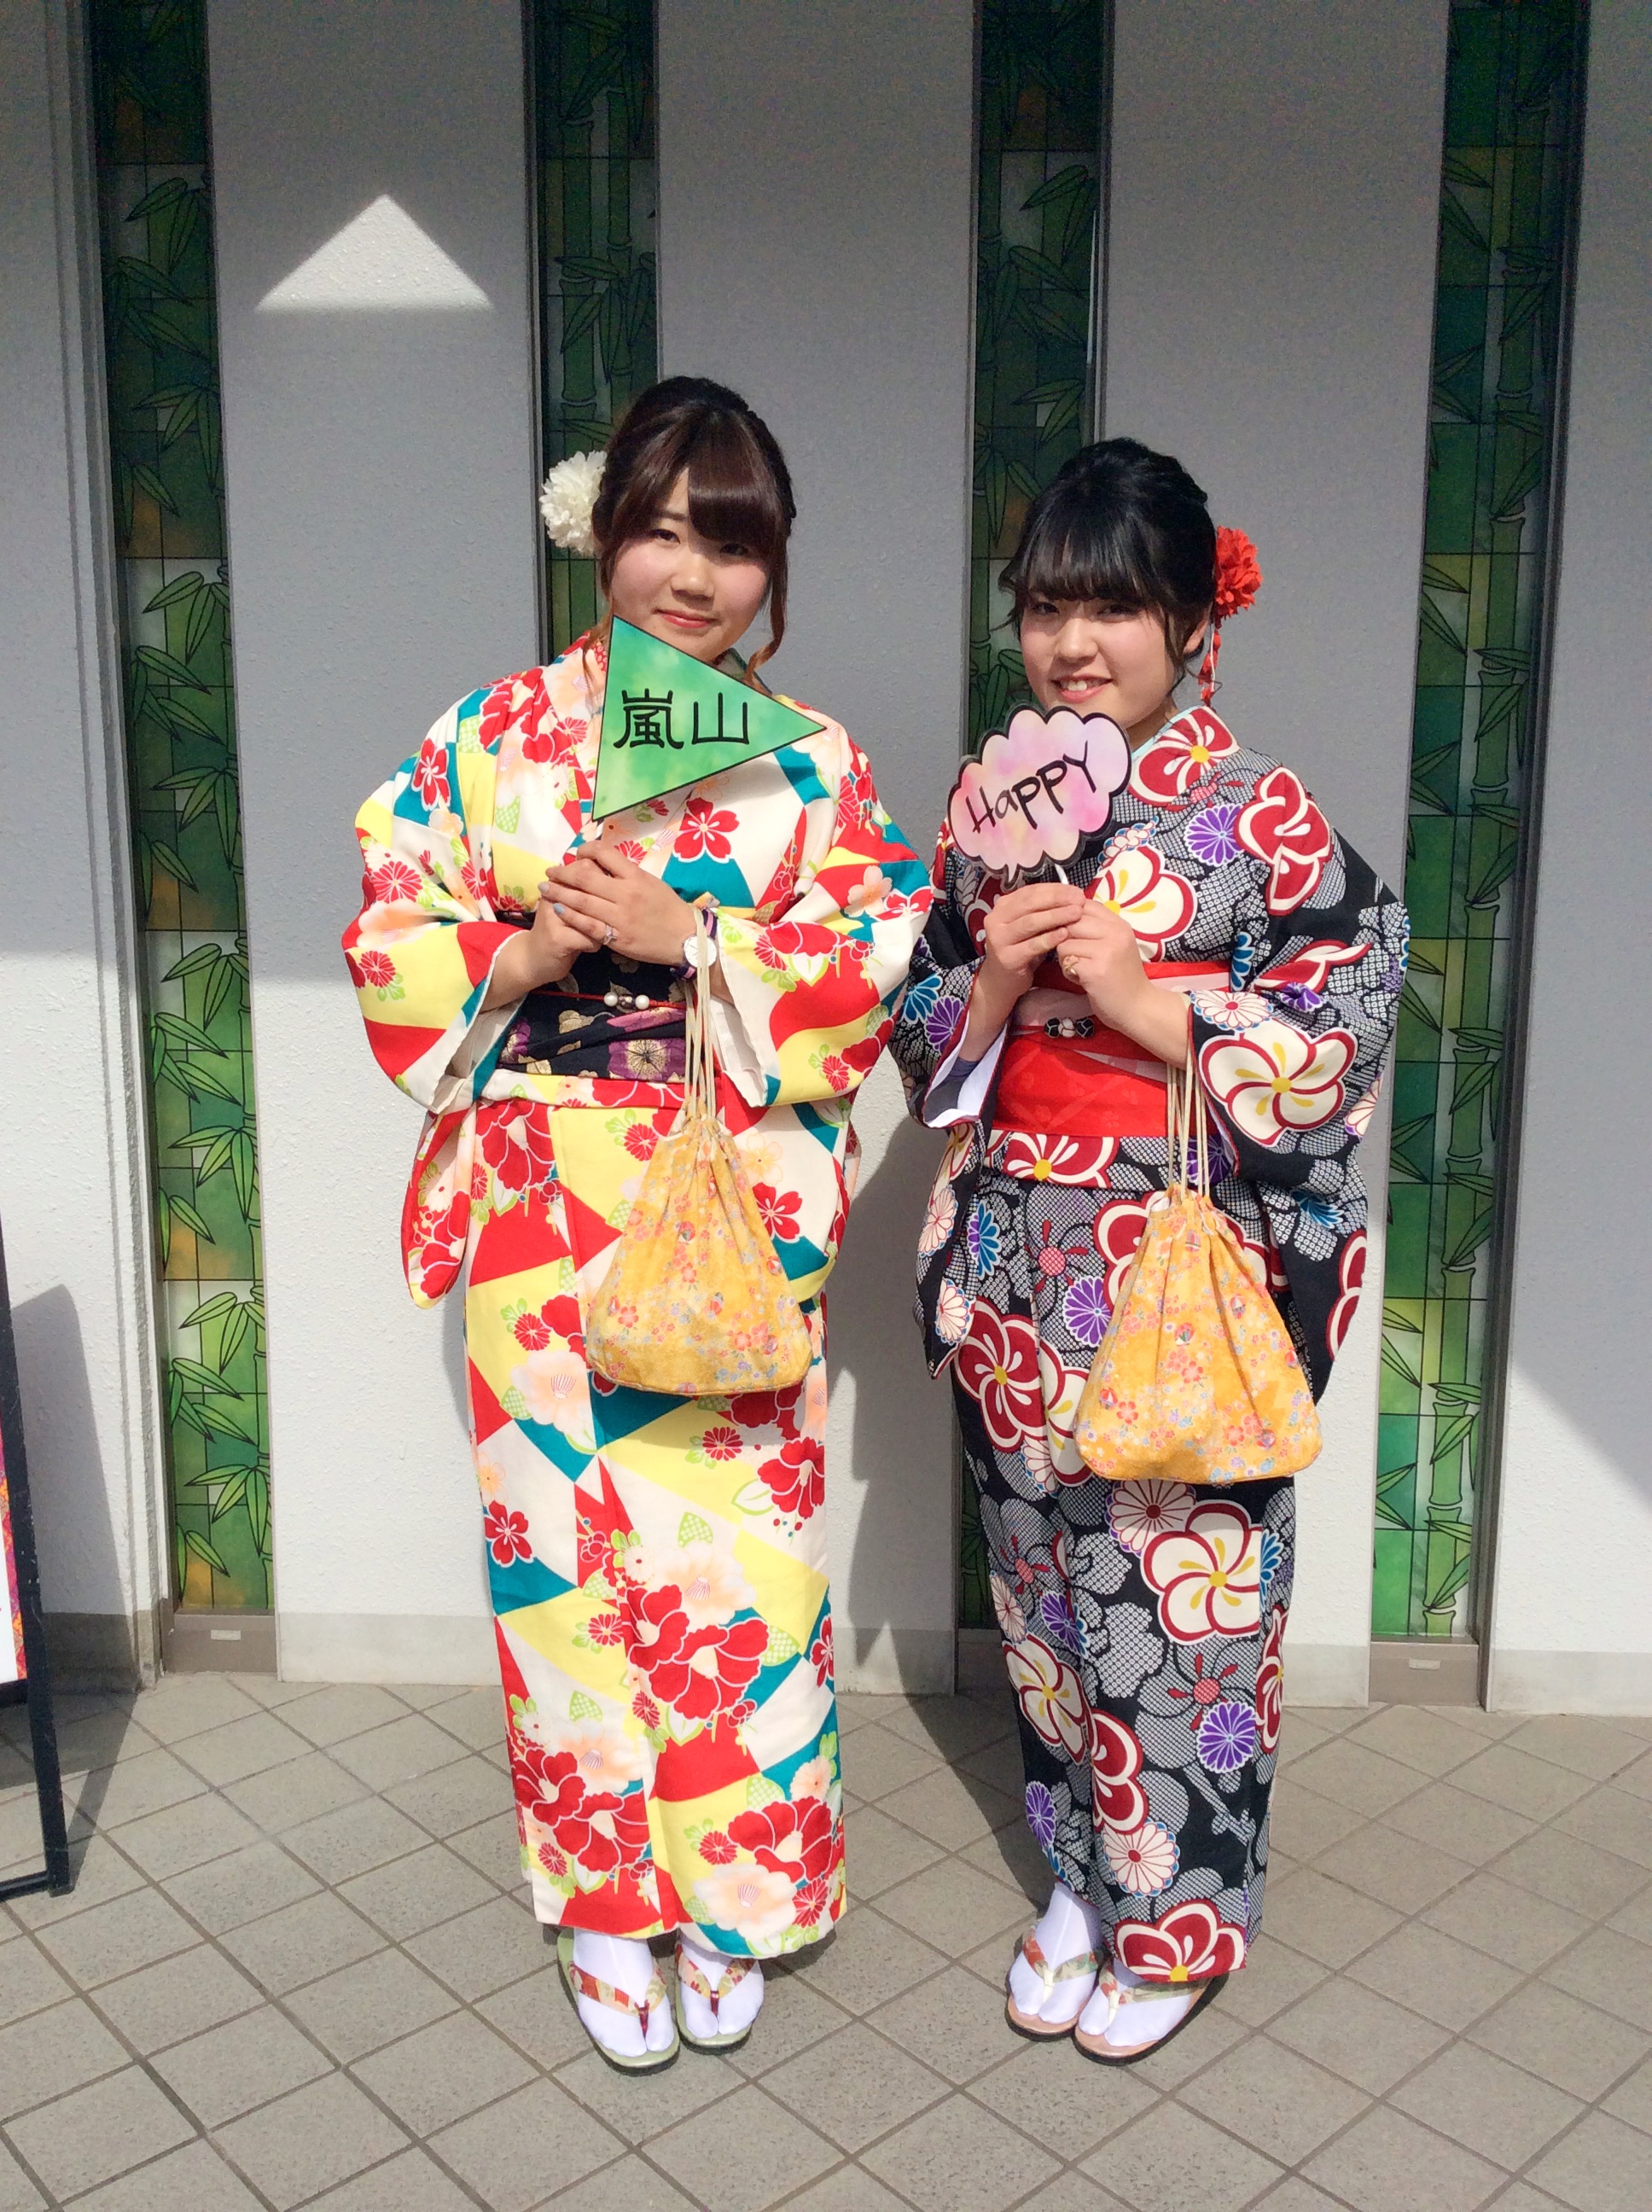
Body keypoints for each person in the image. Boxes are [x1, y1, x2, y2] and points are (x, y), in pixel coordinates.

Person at [345, 378, 929, 2071]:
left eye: (731, 544)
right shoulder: (488, 737)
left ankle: (739, 1895)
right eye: (662, 532)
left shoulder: (812, 761)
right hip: (540, 1202)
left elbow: (876, 957)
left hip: (724, 1201)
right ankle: (606, 1906)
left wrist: (697, 942)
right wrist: (523, 951)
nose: (693, 574)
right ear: (597, 537)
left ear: (772, 567)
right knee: (565, 1564)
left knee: (742, 1570)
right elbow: (391, 930)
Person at [891, 438, 1405, 2063]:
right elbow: (918, 1022)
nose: (1073, 643)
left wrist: (1138, 999)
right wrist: (991, 982)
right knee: (1043, 1588)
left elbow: (1345, 1018)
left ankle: (1175, 1916)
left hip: (1177, 1260)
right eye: (1047, 606)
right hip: (1020, 1257)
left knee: (1183, 1602)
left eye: (1113, 606)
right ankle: (1078, 1879)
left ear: (1195, 622)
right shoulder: (996, 811)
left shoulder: (1264, 818)